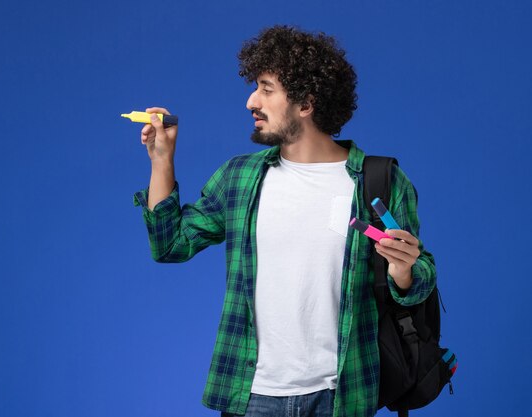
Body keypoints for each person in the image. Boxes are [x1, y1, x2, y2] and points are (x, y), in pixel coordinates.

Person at [133, 25, 436, 417]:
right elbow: (170, 245)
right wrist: (161, 160)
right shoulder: (240, 177)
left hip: (342, 394)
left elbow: (420, 281)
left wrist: (405, 270)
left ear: (306, 104)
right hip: (251, 395)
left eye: (265, 88)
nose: (250, 101)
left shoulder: (381, 180)